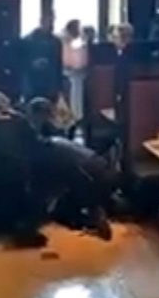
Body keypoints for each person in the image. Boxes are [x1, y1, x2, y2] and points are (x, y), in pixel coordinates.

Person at [25, 98, 115, 241]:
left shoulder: (48, 145)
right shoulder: (59, 137)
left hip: (88, 176)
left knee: (63, 209)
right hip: (100, 166)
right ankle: (95, 213)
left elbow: (50, 179)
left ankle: (90, 218)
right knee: (74, 192)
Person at [0, 92, 48, 248]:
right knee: (24, 201)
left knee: (0, 203)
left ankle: (1, 227)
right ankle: (23, 231)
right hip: (18, 171)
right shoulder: (20, 122)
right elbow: (35, 144)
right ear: (7, 104)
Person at [60, 19, 88, 123]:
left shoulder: (77, 43)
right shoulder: (64, 42)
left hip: (76, 74)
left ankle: (77, 117)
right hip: (69, 73)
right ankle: (75, 117)